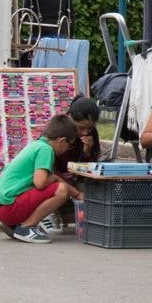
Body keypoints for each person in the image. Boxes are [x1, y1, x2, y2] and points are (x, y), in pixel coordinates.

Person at [0, 114, 82, 244]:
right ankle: (26, 227)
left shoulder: (37, 145)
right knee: (62, 190)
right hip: (7, 209)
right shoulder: (46, 150)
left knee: (60, 186)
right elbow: (40, 183)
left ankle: (15, 225)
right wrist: (56, 178)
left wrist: (77, 194)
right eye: (69, 145)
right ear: (62, 141)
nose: (68, 149)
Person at [38, 96, 102, 235]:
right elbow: (48, 170)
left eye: (89, 128)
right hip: (55, 178)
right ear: (70, 118)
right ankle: (47, 213)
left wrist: (87, 153)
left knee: (94, 188)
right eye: (81, 127)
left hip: (74, 178)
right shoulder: (56, 131)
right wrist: (71, 189)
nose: (85, 132)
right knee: (54, 187)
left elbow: (91, 168)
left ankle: (78, 215)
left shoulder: (91, 135)